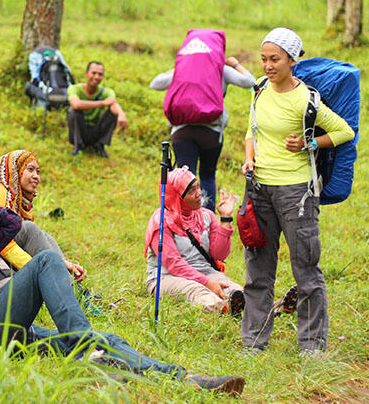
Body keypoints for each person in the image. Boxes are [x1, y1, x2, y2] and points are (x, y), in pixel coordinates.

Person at [0, 171, 245, 395]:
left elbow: (10, 227)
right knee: (47, 260)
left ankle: (181, 379)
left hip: (1, 332)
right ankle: (83, 349)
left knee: (105, 339)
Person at [240, 27, 355, 355]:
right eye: (263, 59)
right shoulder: (259, 89)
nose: (267, 65)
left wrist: (309, 143)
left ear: (293, 60)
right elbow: (252, 130)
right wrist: (249, 159)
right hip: (259, 188)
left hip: (297, 194)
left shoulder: (307, 100)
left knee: (306, 269)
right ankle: (253, 344)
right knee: (257, 269)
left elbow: (344, 131)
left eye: (274, 59)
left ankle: (312, 347)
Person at [150, 55, 255, 211]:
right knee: (207, 175)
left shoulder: (183, 70)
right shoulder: (221, 70)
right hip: (211, 132)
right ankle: (207, 221)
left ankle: (186, 221)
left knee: (186, 179)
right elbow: (250, 81)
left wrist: (180, 67)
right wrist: (236, 64)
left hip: (181, 131)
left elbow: (156, 83)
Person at [0, 150, 86, 281]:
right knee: (30, 229)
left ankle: (72, 284)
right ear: (15, 170)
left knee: (46, 236)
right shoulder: (1, 191)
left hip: (2, 253)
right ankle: (69, 287)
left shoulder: (19, 199)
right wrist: (41, 266)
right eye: (30, 169)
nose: (36, 176)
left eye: (38, 171)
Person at [145, 166, 245, 316]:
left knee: (236, 290)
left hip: (206, 272)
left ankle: (273, 308)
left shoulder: (206, 216)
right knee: (196, 291)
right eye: (191, 191)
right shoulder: (161, 221)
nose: (199, 194)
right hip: (167, 277)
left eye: (198, 187)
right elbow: (174, 264)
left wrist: (225, 220)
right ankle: (226, 308)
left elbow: (219, 254)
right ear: (177, 197)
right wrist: (207, 283)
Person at [66, 61, 128, 158]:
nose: (96, 77)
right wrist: (102, 103)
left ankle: (100, 144)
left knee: (113, 113)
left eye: (100, 74)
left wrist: (121, 114)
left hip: (95, 131)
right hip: (79, 130)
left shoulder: (107, 92)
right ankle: (78, 145)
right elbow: (76, 104)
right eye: (93, 73)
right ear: (86, 73)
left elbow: (113, 103)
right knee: (73, 111)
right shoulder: (74, 88)